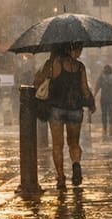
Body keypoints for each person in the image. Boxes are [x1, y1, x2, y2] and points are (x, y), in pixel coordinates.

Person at [34, 43, 94, 189]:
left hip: (56, 109)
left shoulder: (56, 63)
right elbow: (85, 88)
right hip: (75, 109)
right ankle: (76, 163)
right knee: (74, 143)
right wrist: (90, 102)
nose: (79, 52)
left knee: (57, 145)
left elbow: (39, 81)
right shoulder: (80, 67)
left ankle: (61, 177)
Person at [93, 64, 112, 137]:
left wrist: (94, 95)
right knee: (111, 113)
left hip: (104, 98)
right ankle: (111, 126)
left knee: (104, 113)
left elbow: (97, 87)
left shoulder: (101, 77)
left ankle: (104, 128)